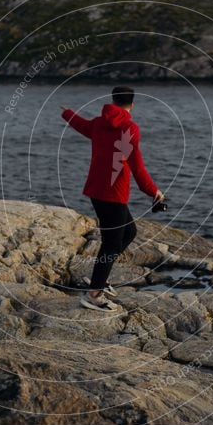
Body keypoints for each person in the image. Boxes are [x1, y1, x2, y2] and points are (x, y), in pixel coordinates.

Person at [61, 86, 165, 312]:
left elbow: (82, 125)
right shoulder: (129, 128)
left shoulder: (99, 123)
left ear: (113, 100)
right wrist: (154, 191)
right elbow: (137, 166)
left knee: (129, 233)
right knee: (110, 245)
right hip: (113, 195)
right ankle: (94, 294)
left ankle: (100, 278)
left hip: (97, 192)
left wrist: (68, 113)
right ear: (132, 104)